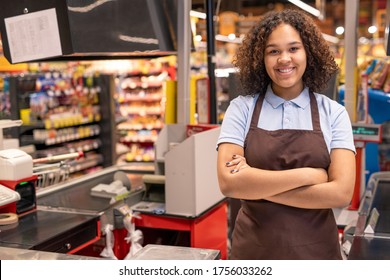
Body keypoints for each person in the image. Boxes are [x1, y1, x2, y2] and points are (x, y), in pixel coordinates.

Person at [216, 9, 356, 260]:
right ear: (261, 58)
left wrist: (253, 185)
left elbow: (341, 194)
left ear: (308, 53)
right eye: (273, 51)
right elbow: (229, 183)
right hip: (254, 256)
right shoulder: (242, 108)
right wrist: (310, 175)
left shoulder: (333, 113)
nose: (284, 59)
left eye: (293, 49)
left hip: (316, 255)